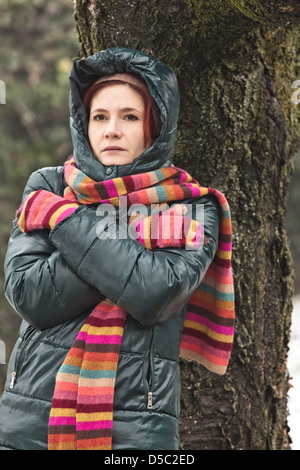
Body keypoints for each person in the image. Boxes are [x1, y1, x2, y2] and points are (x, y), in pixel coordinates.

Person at [0, 47, 234, 450]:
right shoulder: (50, 187)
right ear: (83, 125)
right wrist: (137, 239)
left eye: (129, 116)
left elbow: (155, 293)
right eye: (100, 117)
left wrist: (65, 221)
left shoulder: (194, 205)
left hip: (135, 430)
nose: (111, 130)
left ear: (154, 127)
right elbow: (30, 295)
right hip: (26, 419)